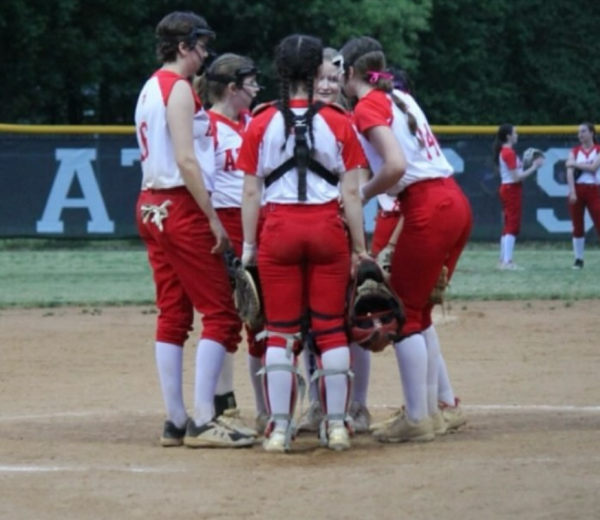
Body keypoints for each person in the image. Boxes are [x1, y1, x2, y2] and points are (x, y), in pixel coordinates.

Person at [237, 34, 369, 452]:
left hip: (278, 231)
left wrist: (248, 247)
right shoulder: (339, 122)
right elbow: (351, 194)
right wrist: (360, 249)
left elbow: (251, 194)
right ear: (317, 73)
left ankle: (278, 429)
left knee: (280, 333)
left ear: (279, 73)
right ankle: (336, 427)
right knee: (331, 331)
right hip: (327, 230)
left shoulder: (259, 122)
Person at [339, 35, 472, 443]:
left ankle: (417, 417)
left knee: (406, 315)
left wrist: (361, 194)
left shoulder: (367, 105)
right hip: (453, 201)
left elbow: (395, 166)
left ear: (348, 73)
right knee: (421, 313)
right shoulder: (398, 97)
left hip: (427, 206)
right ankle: (431, 411)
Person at [134, 11, 254, 449]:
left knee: (173, 313)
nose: (205, 53)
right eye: (200, 45)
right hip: (180, 205)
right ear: (183, 47)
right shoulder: (179, 89)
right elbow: (186, 161)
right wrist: (211, 216)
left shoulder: (151, 86)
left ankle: (176, 419)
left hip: (149, 204)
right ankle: (204, 419)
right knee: (221, 313)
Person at [296, 46, 372, 435]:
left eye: (332, 78)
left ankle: (356, 404)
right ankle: (316, 404)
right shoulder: (294, 119)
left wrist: (361, 245)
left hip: (342, 229)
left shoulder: (348, 119)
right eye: (319, 78)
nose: (326, 85)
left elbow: (357, 184)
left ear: (343, 81)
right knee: (312, 324)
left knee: (352, 319)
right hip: (308, 233)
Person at [195, 53, 269, 434]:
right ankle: (222, 404)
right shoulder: (205, 125)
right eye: (250, 82)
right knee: (225, 315)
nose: (257, 88)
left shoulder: (253, 123)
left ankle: (264, 408)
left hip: (257, 224)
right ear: (231, 88)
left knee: (258, 319)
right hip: (224, 225)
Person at [493, 124, 544, 270]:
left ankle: (503, 260)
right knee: (513, 225)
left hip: (508, 188)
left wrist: (527, 164)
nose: (517, 135)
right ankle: (507, 262)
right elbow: (516, 177)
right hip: (511, 189)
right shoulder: (508, 152)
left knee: (509, 224)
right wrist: (534, 166)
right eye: (515, 133)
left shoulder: (507, 152)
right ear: (508, 136)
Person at [565, 122, 600, 269]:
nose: (580, 135)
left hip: (594, 189)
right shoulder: (574, 151)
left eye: (584, 131)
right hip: (578, 189)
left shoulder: (598, 149)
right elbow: (569, 171)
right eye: (579, 132)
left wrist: (574, 164)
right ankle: (578, 259)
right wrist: (572, 191)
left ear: (592, 133)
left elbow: (593, 168)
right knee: (577, 225)